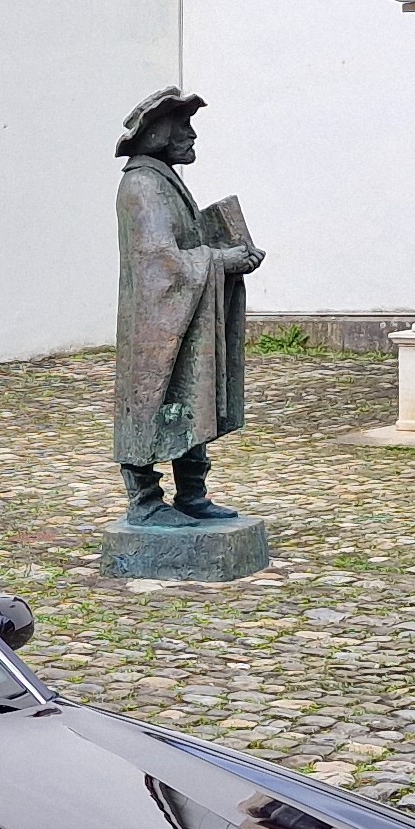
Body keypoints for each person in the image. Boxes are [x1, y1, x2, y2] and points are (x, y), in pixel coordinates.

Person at [110, 89, 264, 521]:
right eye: (183, 126)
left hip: (183, 316)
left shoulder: (163, 180)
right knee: (157, 400)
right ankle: (145, 502)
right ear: (158, 133)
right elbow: (159, 263)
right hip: (156, 324)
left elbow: (181, 251)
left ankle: (192, 494)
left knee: (189, 399)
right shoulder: (141, 185)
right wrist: (222, 259)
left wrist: (228, 256)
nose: (192, 135)